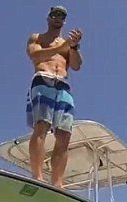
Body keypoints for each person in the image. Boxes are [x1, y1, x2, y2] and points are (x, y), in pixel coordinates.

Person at [25, 6, 83, 188]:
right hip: (43, 79)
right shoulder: (38, 38)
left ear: (64, 21)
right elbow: (35, 56)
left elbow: (76, 66)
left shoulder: (67, 44)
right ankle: (37, 176)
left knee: (64, 135)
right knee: (41, 125)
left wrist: (74, 47)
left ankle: (58, 184)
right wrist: (63, 46)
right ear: (48, 18)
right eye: (54, 15)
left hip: (63, 85)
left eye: (61, 16)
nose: (58, 18)